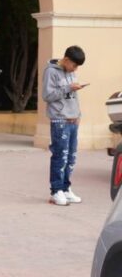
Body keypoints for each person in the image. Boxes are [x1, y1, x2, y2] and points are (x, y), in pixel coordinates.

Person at [42, 46, 86, 206]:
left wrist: (78, 114)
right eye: (74, 65)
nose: (75, 69)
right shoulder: (51, 72)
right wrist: (68, 87)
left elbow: (73, 97)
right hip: (59, 120)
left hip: (73, 120)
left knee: (71, 157)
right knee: (60, 156)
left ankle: (66, 189)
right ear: (66, 60)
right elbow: (47, 95)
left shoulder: (71, 72)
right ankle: (56, 191)